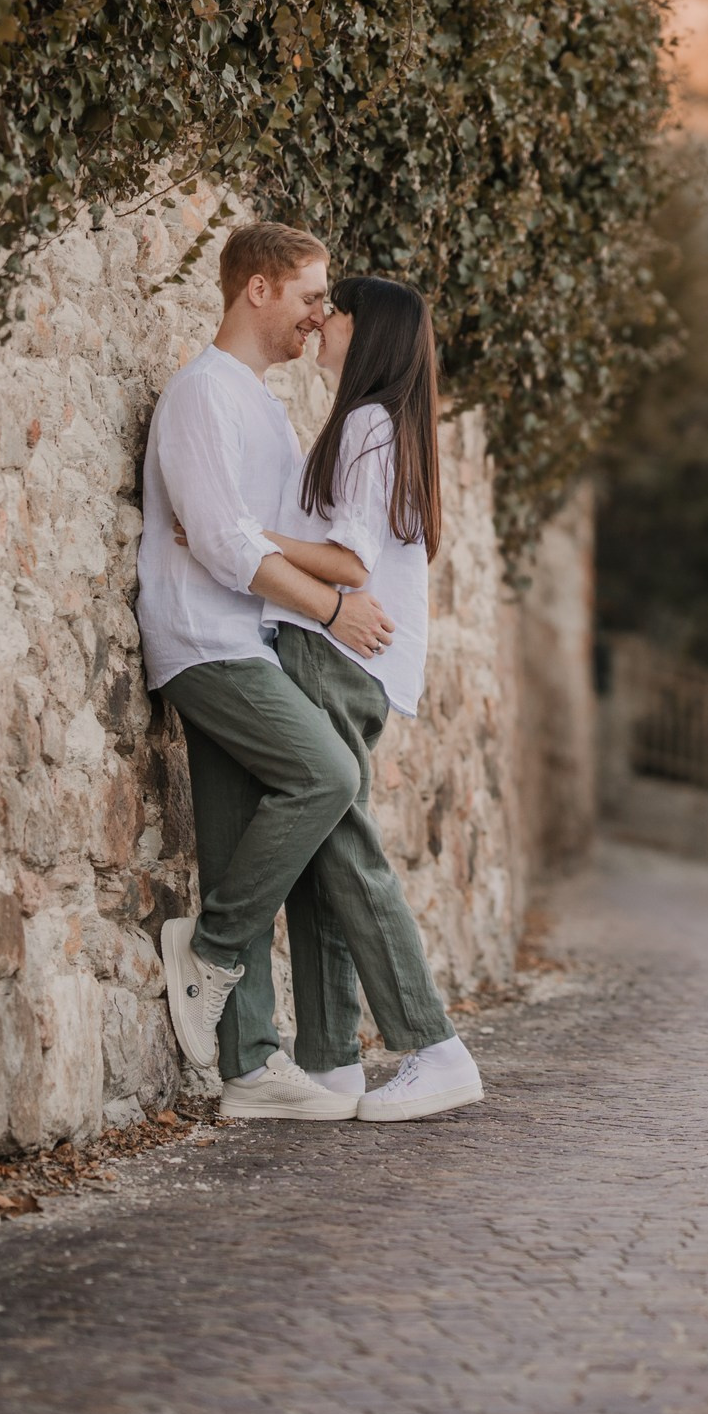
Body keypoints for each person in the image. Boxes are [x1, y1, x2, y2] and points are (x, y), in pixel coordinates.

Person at [138, 221, 394, 1123]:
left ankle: (247, 1069)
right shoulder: (203, 394)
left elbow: (286, 541)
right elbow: (216, 541)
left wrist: (336, 582)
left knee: (234, 830)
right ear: (258, 289)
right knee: (329, 772)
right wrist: (329, 607)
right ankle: (209, 949)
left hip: (250, 642)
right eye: (310, 296)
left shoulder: (266, 409)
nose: (320, 315)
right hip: (203, 640)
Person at [237, 273, 483, 1122]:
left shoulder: (366, 424)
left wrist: (244, 536)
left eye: (332, 311)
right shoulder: (387, 426)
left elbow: (347, 560)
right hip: (358, 661)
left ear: (363, 330)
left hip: (335, 653)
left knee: (343, 847)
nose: (320, 320)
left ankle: (433, 1045)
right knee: (324, 856)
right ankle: (333, 1061)